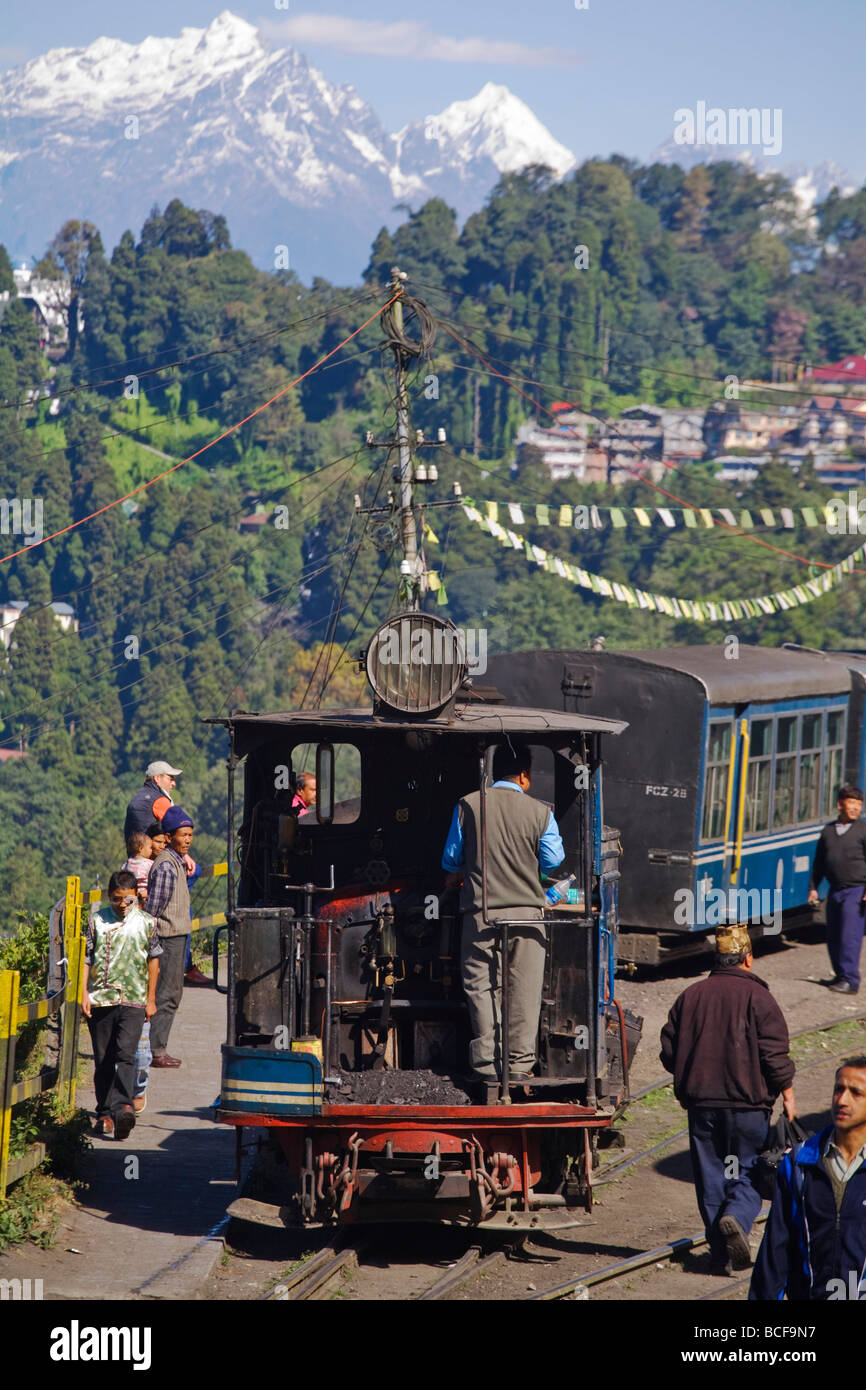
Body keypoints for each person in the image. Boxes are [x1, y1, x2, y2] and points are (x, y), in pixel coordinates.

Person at [660, 925, 796, 1275]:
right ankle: (737, 1217)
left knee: (711, 1176)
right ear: (748, 958)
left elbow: (669, 1049)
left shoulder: (691, 996)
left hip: (702, 1106)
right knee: (747, 1171)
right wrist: (789, 1095)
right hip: (747, 1106)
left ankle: (719, 1254)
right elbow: (774, 1054)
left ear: (717, 960)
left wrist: (689, 1078)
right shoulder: (760, 998)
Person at [441, 743, 564, 1085]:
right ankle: (519, 1066)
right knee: (523, 987)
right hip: (527, 915)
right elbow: (553, 860)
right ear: (524, 776)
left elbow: (450, 860)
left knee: (482, 987)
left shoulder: (468, 804)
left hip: (480, 914)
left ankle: (486, 1066)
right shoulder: (540, 812)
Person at [751, 1056, 866, 1300]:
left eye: (856, 1093)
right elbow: (776, 1248)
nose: (842, 1100)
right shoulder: (800, 1163)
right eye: (838, 1089)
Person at [82, 870, 161, 1139]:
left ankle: (123, 1107)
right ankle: (104, 1113)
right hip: (101, 998)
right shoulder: (96, 921)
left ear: (136, 896)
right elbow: (87, 959)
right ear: (109, 896)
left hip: (134, 999)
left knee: (127, 1055)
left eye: (128, 899)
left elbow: (154, 961)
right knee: (104, 1059)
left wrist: (151, 999)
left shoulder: (147, 923)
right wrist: (83, 993)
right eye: (117, 899)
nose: (123, 905)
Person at [145, 806, 194, 1068]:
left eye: (190, 835)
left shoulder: (174, 861)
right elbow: (154, 908)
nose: (187, 840)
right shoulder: (166, 866)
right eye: (182, 835)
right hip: (168, 938)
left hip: (176, 936)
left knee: (170, 994)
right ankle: (156, 1049)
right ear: (170, 836)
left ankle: (155, 1046)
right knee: (167, 994)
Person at [808, 783, 866, 995]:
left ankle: (851, 980)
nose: (855, 808)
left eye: (858, 804)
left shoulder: (863, 831)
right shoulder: (829, 831)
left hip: (857, 891)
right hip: (835, 890)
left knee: (849, 937)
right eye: (851, 803)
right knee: (833, 935)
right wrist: (813, 887)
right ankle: (840, 974)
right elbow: (819, 863)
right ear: (840, 804)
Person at [123, 761, 182, 841]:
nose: (173, 783)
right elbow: (175, 830)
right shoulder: (160, 800)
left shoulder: (136, 797)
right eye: (170, 779)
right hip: (154, 851)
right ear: (157, 778)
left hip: (134, 851)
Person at [122, 830, 153, 903]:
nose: (151, 850)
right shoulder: (149, 864)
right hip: (144, 897)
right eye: (150, 848)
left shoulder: (127, 863)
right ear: (141, 848)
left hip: (129, 897)